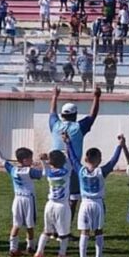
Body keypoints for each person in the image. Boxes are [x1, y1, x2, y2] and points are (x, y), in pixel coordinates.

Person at [48, 84, 101, 222]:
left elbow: (52, 112)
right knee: (73, 198)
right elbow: (92, 115)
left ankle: (53, 228)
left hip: (55, 166)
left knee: (56, 197)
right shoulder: (78, 127)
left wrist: (54, 96)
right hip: (72, 165)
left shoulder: (54, 125)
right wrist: (96, 97)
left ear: (63, 114)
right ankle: (65, 227)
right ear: (75, 115)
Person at [75, 135, 126, 257]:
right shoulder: (101, 171)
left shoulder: (80, 170)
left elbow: (72, 158)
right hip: (97, 203)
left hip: (84, 203)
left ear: (86, 159)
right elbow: (113, 161)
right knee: (98, 231)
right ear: (98, 159)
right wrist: (120, 145)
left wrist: (68, 143)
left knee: (84, 232)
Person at [33, 136, 74, 257]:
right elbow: (71, 157)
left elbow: (45, 165)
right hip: (62, 205)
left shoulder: (49, 172)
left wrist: (44, 159)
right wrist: (67, 143)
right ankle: (62, 254)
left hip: (49, 204)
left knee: (47, 230)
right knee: (64, 233)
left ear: (51, 163)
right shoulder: (66, 171)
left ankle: (39, 252)